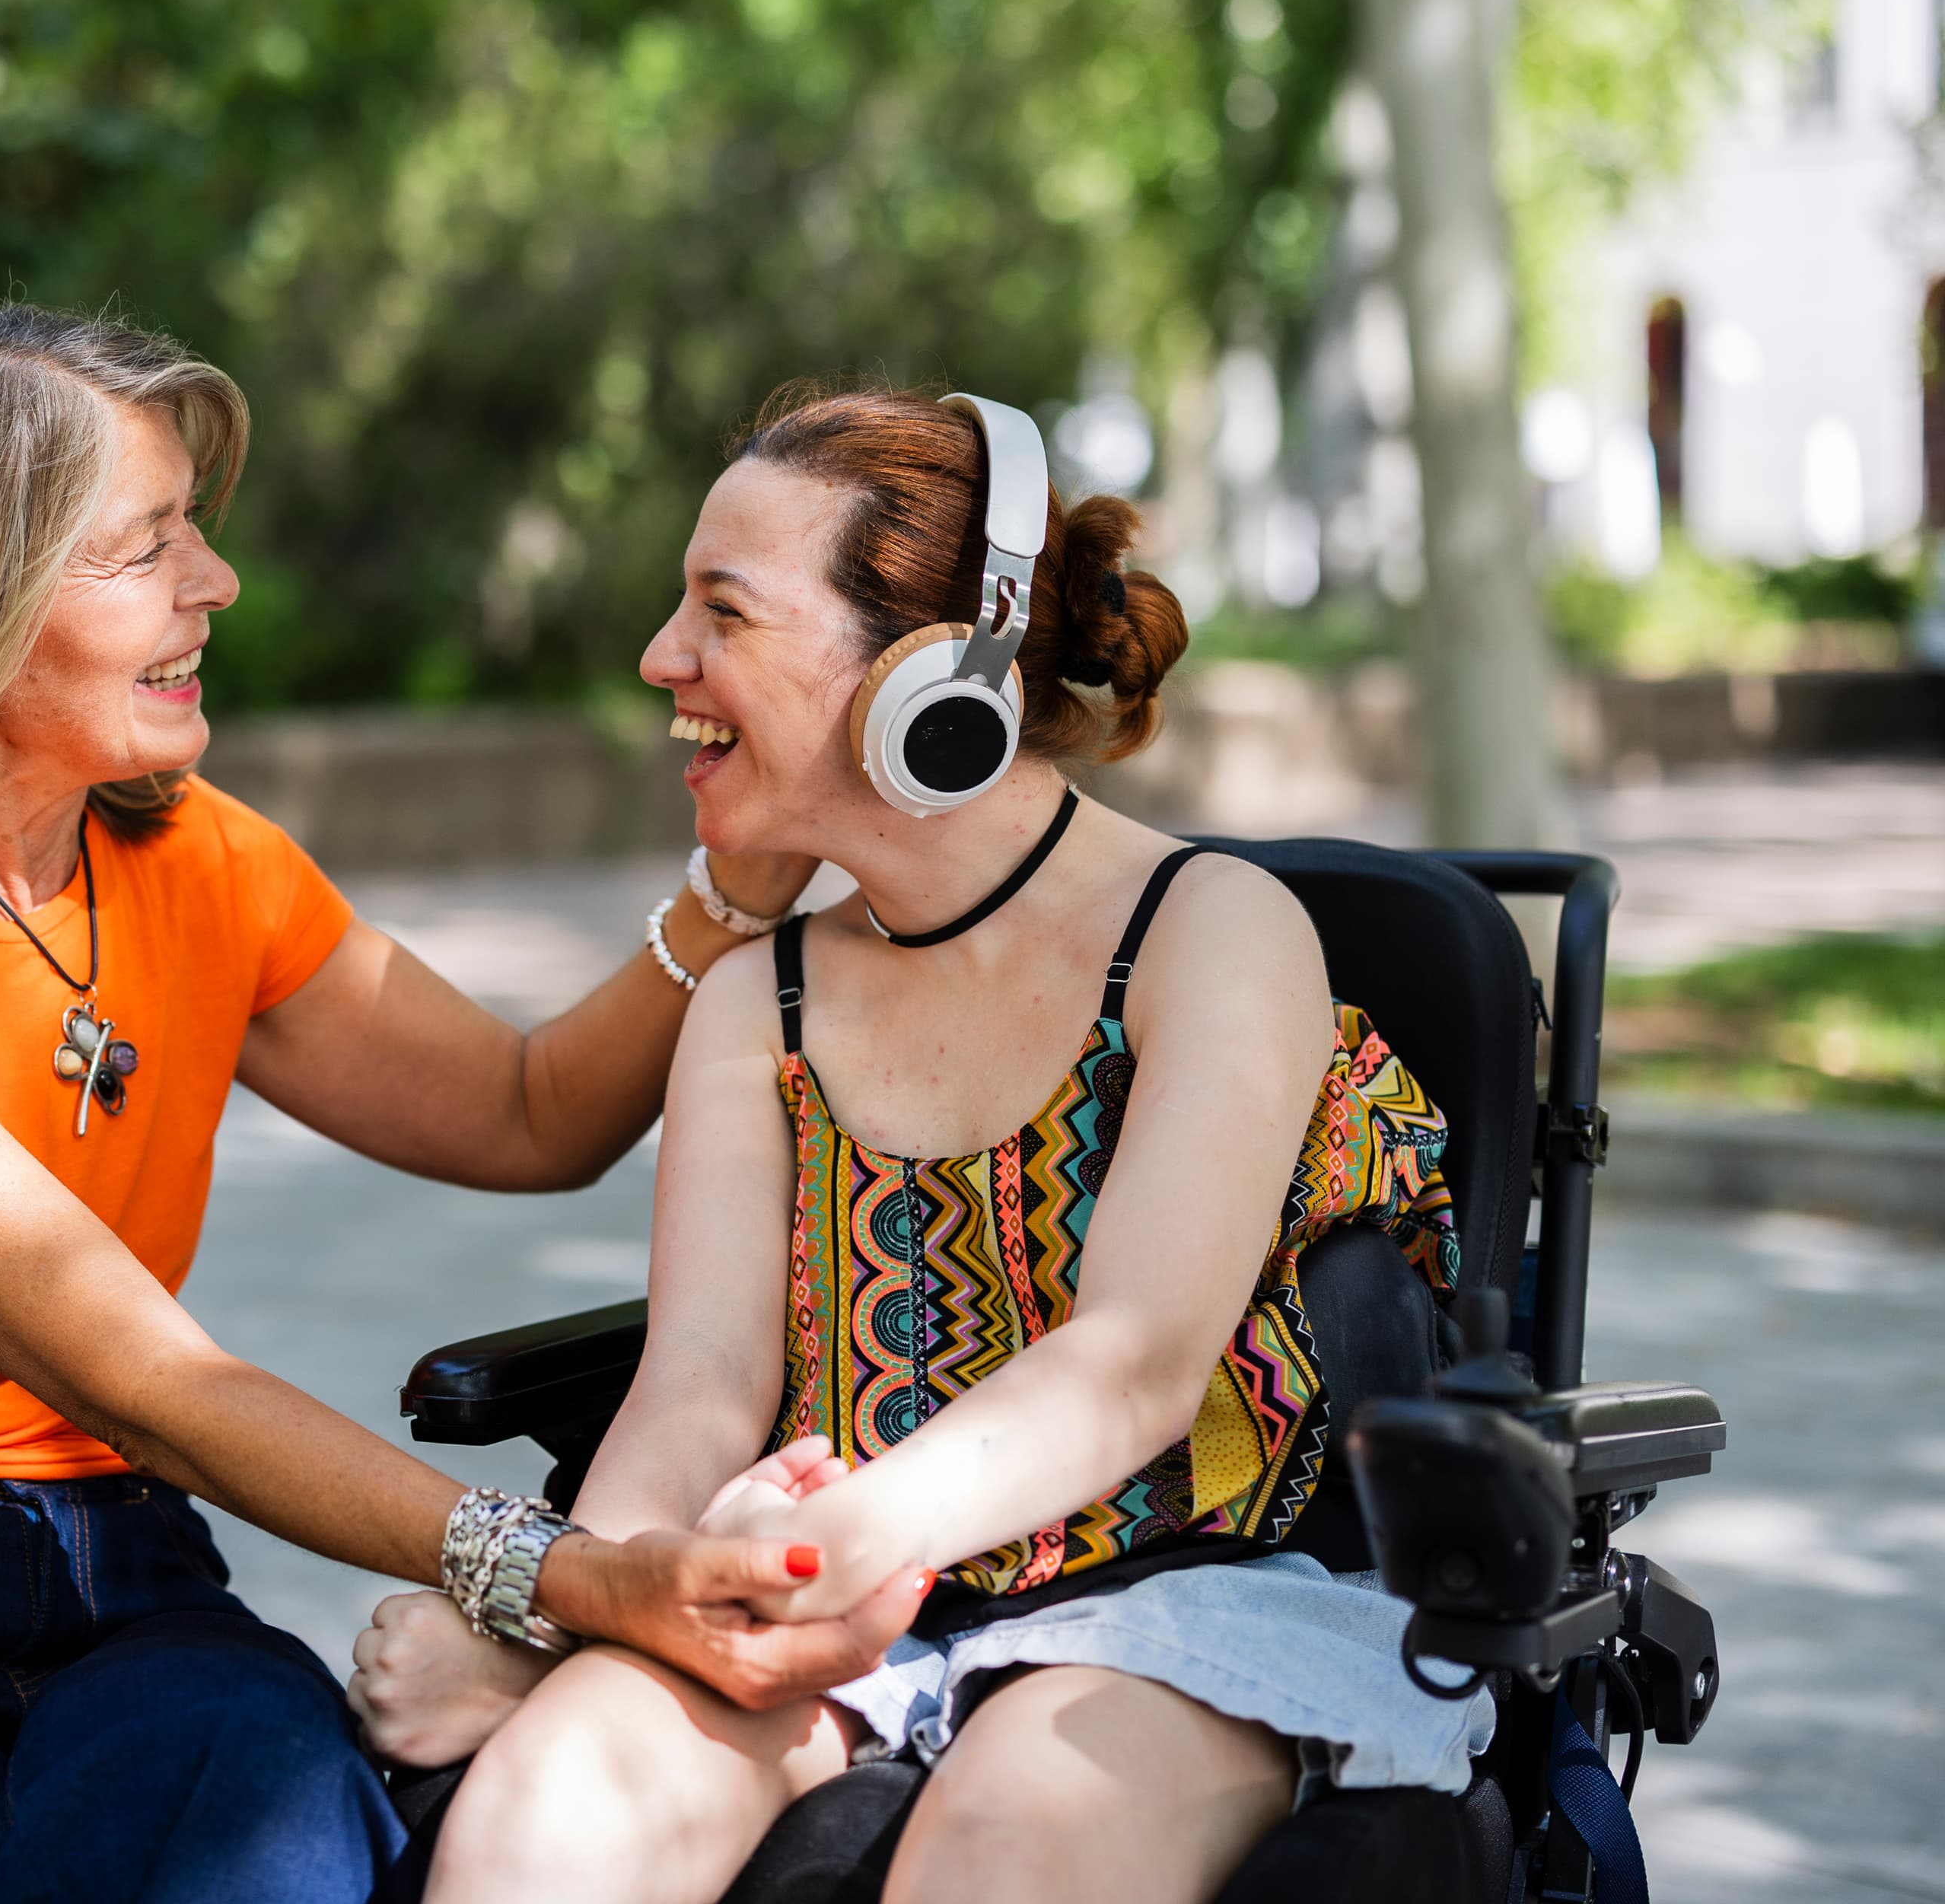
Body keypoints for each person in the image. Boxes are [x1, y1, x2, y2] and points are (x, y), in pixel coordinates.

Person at [0, 302, 922, 1904]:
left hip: (122, 1572)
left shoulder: (192, 854)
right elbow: (148, 1378)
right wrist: (579, 1576)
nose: (213, 583)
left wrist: (731, 894)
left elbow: (524, 1111)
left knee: (279, 1823)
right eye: (147, 545)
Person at [350, 384, 1495, 1904]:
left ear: (930, 676)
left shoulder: (1209, 933)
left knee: (1009, 1844)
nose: (660, 659)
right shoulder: (765, 988)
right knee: (543, 1812)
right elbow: (699, 1381)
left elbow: (1137, 1366)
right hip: (823, 1594)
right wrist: (595, 1604)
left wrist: (823, 1549)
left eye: (724, 612)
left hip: (1176, 1600)